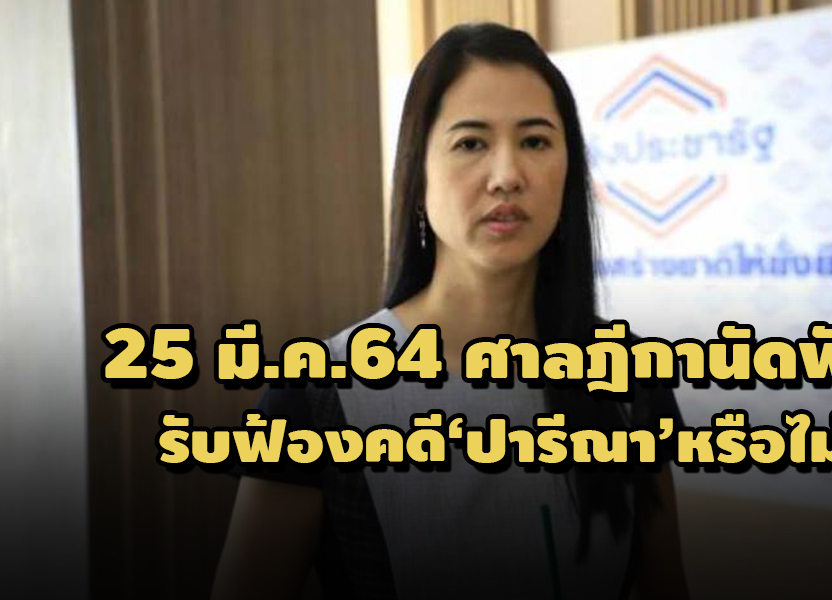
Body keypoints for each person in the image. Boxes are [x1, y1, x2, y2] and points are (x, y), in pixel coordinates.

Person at [212, 22, 687, 600]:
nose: (507, 176)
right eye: (471, 143)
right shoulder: (319, 395)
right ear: (418, 176)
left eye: (535, 142)